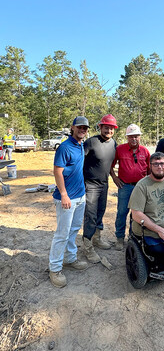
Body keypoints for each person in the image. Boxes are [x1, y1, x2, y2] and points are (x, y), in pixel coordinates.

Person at [49, 116, 89, 288]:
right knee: (62, 233)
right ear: (72, 128)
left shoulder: (80, 145)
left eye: (85, 128)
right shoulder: (65, 147)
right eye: (79, 127)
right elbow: (57, 171)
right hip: (67, 198)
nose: (82, 130)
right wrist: (64, 194)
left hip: (80, 196)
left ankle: (71, 258)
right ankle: (55, 269)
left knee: (73, 230)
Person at [82, 114, 118, 263]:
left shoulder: (114, 144)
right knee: (90, 215)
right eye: (106, 127)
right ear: (100, 127)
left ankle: (97, 238)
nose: (108, 130)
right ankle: (88, 247)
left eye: (111, 128)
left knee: (100, 211)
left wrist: (114, 176)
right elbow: (79, 162)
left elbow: (109, 164)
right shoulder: (91, 142)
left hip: (104, 183)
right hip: (90, 184)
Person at [110, 124, 150, 250]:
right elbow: (110, 165)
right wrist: (115, 178)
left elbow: (149, 169)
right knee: (122, 212)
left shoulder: (145, 151)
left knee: (137, 214)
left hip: (140, 188)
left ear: (140, 137)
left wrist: (148, 185)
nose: (134, 139)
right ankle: (120, 238)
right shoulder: (120, 149)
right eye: (131, 136)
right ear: (127, 137)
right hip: (125, 187)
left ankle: (133, 237)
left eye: (136, 136)